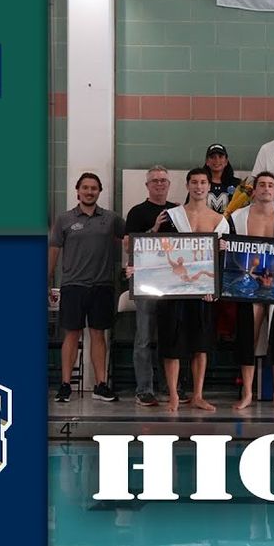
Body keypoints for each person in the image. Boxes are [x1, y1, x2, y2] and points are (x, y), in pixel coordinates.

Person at [151, 168, 226, 413]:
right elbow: (156, 251)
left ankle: (198, 395)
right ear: (187, 186)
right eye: (194, 182)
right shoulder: (171, 216)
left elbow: (223, 262)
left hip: (203, 291)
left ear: (209, 187)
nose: (199, 186)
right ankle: (173, 395)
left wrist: (215, 286)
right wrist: (154, 230)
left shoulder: (220, 221)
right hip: (173, 290)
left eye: (203, 182)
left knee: (200, 344)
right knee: (172, 343)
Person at [48, 172, 126, 404]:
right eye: (85, 187)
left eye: (94, 188)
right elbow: (54, 250)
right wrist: (47, 279)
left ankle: (100, 385)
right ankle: (65, 385)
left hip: (102, 285)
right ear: (78, 191)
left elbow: (132, 239)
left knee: (98, 334)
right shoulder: (64, 219)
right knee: (71, 334)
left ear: (99, 191)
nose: (89, 192)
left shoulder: (111, 219)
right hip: (73, 285)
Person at [227, 171, 274, 411]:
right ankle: (248, 392)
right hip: (249, 282)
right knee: (248, 337)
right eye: (262, 185)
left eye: (270, 185)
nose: (266, 188)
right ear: (255, 190)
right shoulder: (237, 217)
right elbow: (229, 252)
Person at [123, 166, 177, 406]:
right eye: (154, 180)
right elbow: (128, 246)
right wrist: (153, 229)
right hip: (145, 280)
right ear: (147, 185)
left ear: (169, 184)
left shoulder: (177, 211)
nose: (159, 184)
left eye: (163, 180)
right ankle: (144, 389)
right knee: (144, 336)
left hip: (172, 281)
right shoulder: (137, 212)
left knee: (170, 335)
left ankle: (170, 386)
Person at [201, 144, 240, 214]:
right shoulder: (199, 183)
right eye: (212, 157)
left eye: (220, 156)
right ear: (207, 161)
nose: (217, 160)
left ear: (226, 161)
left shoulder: (237, 184)